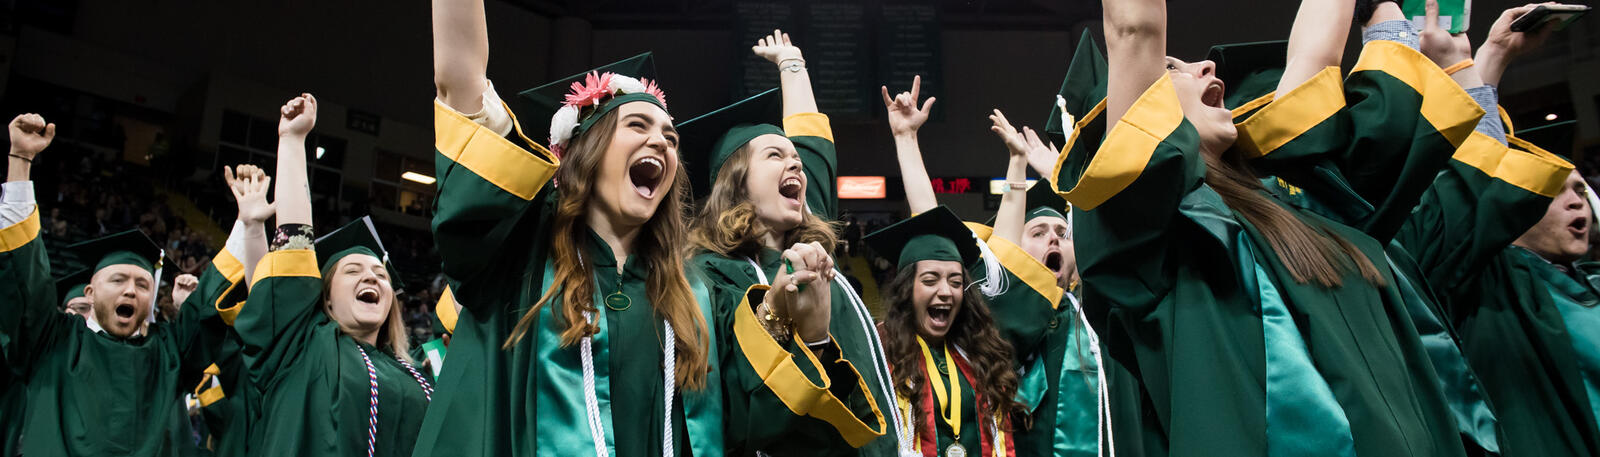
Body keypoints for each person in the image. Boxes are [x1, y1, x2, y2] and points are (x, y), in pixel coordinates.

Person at [419, 1, 881, 455]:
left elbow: (748, 421)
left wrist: (784, 316)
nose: (660, 139)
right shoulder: (519, 250)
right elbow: (462, 83)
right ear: (587, 154)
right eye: (637, 124)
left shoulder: (694, 294)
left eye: (670, 136)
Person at [1057, 0, 1486, 454]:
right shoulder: (1148, 241)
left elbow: (1312, 63)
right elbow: (1134, 29)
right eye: (1171, 67)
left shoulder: (1304, 209)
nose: (1206, 65)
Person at [680, 29, 896, 455]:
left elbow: (813, 148)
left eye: (793, 158)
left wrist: (792, 64)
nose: (794, 161)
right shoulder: (710, 276)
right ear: (737, 184)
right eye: (775, 156)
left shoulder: (804, 240)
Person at [0, 113, 246, 456]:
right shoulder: (52, 341)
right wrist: (21, 161)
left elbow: (208, 306)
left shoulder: (166, 355)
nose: (131, 290)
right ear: (90, 290)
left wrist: (246, 222)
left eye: (143, 284)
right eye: (118, 279)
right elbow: (26, 272)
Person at [233, 94, 433, 457]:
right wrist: (293, 142)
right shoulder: (302, 346)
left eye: (380, 274)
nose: (372, 278)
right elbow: (293, 245)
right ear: (324, 296)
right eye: (353, 271)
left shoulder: (415, 369)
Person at [866, 207, 1026, 457]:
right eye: (930, 280)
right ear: (907, 289)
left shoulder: (979, 351)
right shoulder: (880, 350)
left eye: (956, 282)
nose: (946, 291)